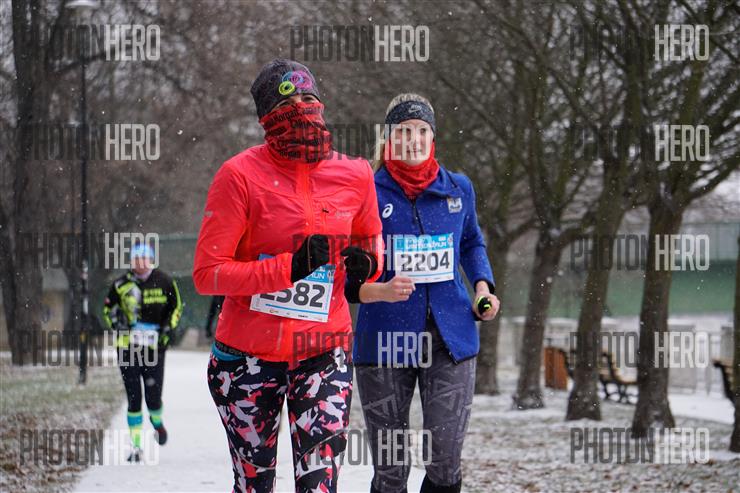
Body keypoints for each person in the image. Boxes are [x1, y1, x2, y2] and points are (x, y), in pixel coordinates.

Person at [193, 59, 384, 493]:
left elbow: (372, 243)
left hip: (323, 352)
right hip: (246, 357)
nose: (301, 107)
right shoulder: (238, 175)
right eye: (286, 103)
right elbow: (208, 274)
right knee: (254, 485)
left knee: (319, 485)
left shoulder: (355, 173)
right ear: (266, 118)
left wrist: (367, 264)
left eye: (308, 97)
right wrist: (289, 268)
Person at [347, 93, 500, 493]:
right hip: (384, 339)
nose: (413, 140)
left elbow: (472, 242)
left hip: (449, 336)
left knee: (445, 461)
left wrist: (482, 287)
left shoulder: (458, 188)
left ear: (433, 137)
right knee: (391, 469)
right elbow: (349, 267)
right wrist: (378, 289)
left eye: (421, 131)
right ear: (388, 138)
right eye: (403, 131)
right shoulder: (366, 190)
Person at [102, 243, 183, 462]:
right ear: (131, 261)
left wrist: (168, 327)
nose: (140, 263)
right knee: (134, 397)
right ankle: (136, 446)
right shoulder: (120, 284)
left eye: (144, 258)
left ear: (151, 260)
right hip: (128, 347)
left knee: (153, 398)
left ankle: (157, 422)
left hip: (154, 347)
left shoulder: (164, 281)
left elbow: (176, 307)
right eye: (136, 259)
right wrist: (116, 322)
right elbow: (108, 309)